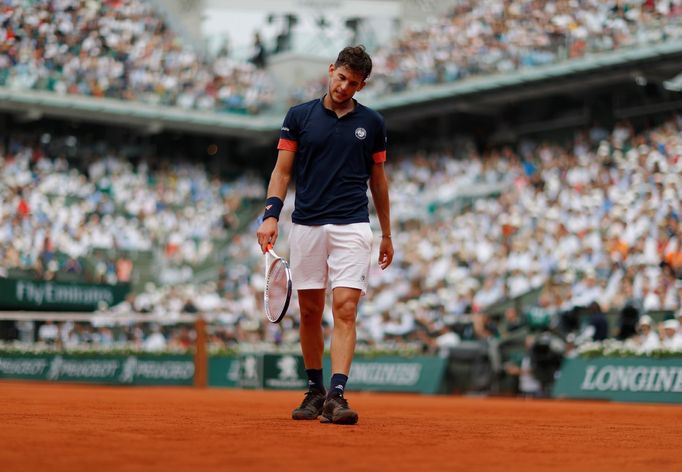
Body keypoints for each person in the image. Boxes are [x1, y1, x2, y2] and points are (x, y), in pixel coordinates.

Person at [256, 45, 393, 425]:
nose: (344, 87)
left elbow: (379, 182)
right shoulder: (298, 117)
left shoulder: (374, 124)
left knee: (345, 309)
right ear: (331, 70)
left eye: (354, 83)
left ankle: (336, 394)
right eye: (341, 77)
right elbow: (282, 172)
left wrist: (386, 233)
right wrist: (271, 215)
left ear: (362, 85)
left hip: (352, 225)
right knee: (311, 312)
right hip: (306, 225)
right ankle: (315, 391)